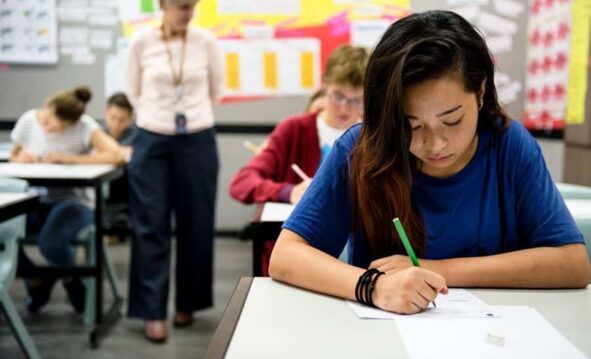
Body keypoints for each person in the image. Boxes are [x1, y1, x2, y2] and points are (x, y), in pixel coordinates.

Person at [269, 10, 591, 315]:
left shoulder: (508, 145)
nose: (435, 144)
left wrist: (433, 269)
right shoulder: (361, 148)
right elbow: (285, 256)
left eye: (452, 121)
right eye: (411, 125)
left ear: (480, 93)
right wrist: (374, 287)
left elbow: (572, 264)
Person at [126, 0, 223, 343]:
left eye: (192, 6)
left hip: (196, 137)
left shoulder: (206, 42)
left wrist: (190, 115)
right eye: (182, 6)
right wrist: (158, 118)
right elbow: (133, 91)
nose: (188, 12)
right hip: (151, 137)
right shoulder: (141, 42)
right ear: (163, 5)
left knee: (196, 222)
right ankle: (151, 310)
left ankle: (189, 302)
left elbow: (216, 91)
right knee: (149, 223)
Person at [11, 86, 124, 314]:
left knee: (51, 243)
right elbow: (15, 153)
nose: (49, 130)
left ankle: (70, 280)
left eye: (59, 128)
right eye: (48, 122)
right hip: (37, 198)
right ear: (47, 106)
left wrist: (68, 158)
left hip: (74, 202)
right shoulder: (29, 121)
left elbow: (117, 155)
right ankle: (38, 279)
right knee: (4, 231)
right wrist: (21, 157)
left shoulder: (85, 127)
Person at [229, 45, 369, 205]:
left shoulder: (373, 134)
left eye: (356, 100)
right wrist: (287, 192)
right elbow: (242, 182)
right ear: (324, 84)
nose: (345, 108)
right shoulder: (294, 130)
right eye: (338, 96)